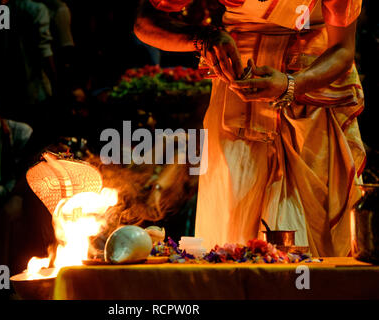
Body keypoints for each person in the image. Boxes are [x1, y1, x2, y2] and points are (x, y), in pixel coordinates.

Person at [134, 0, 366, 257]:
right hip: (236, 96)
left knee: (313, 233)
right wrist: (205, 39)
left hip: (310, 103)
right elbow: (146, 22)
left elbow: (343, 49)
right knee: (232, 227)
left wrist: (291, 85)